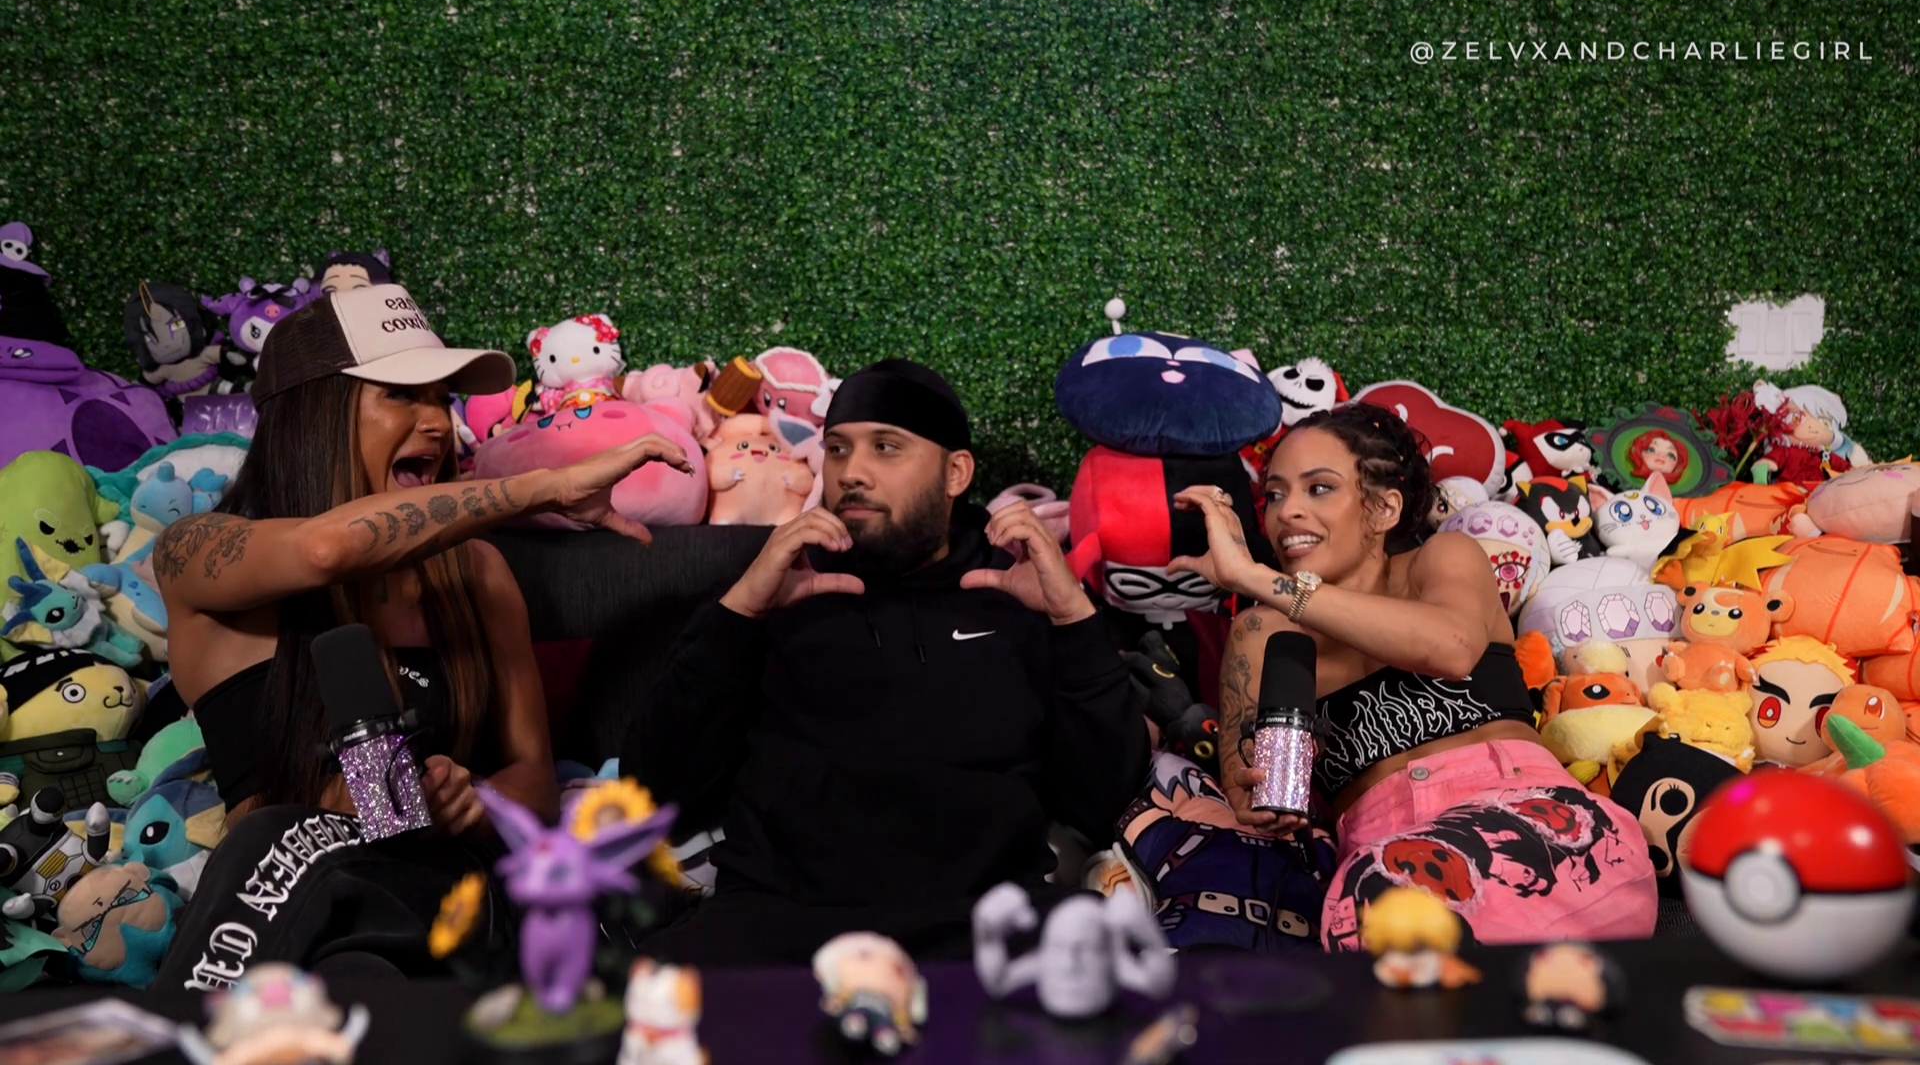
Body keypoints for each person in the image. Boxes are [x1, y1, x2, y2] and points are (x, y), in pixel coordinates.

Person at [151, 283, 689, 990]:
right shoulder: (197, 552)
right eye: (402, 396)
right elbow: (325, 551)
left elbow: (533, 782)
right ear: (314, 412)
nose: (437, 422)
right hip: (303, 926)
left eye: (441, 399)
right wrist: (546, 487)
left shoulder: (477, 572)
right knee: (279, 843)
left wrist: (472, 799)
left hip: (458, 905)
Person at [626, 358, 1150, 965]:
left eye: (886, 447)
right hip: (778, 921)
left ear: (956, 472)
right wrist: (740, 611)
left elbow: (1106, 802)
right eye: (838, 449)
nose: (851, 472)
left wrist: (1074, 621)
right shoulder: (775, 588)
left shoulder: (1021, 595)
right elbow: (654, 788)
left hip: (985, 926)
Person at [1170, 402, 1656, 951]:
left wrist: (1256, 578)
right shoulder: (1261, 632)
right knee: (1381, 910)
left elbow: (1451, 649)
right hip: (1394, 866)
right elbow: (1250, 790)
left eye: (1319, 488)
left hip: (1544, 831)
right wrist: (1256, 793)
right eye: (1276, 495)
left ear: (1384, 509)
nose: (1288, 512)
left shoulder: (1441, 559)